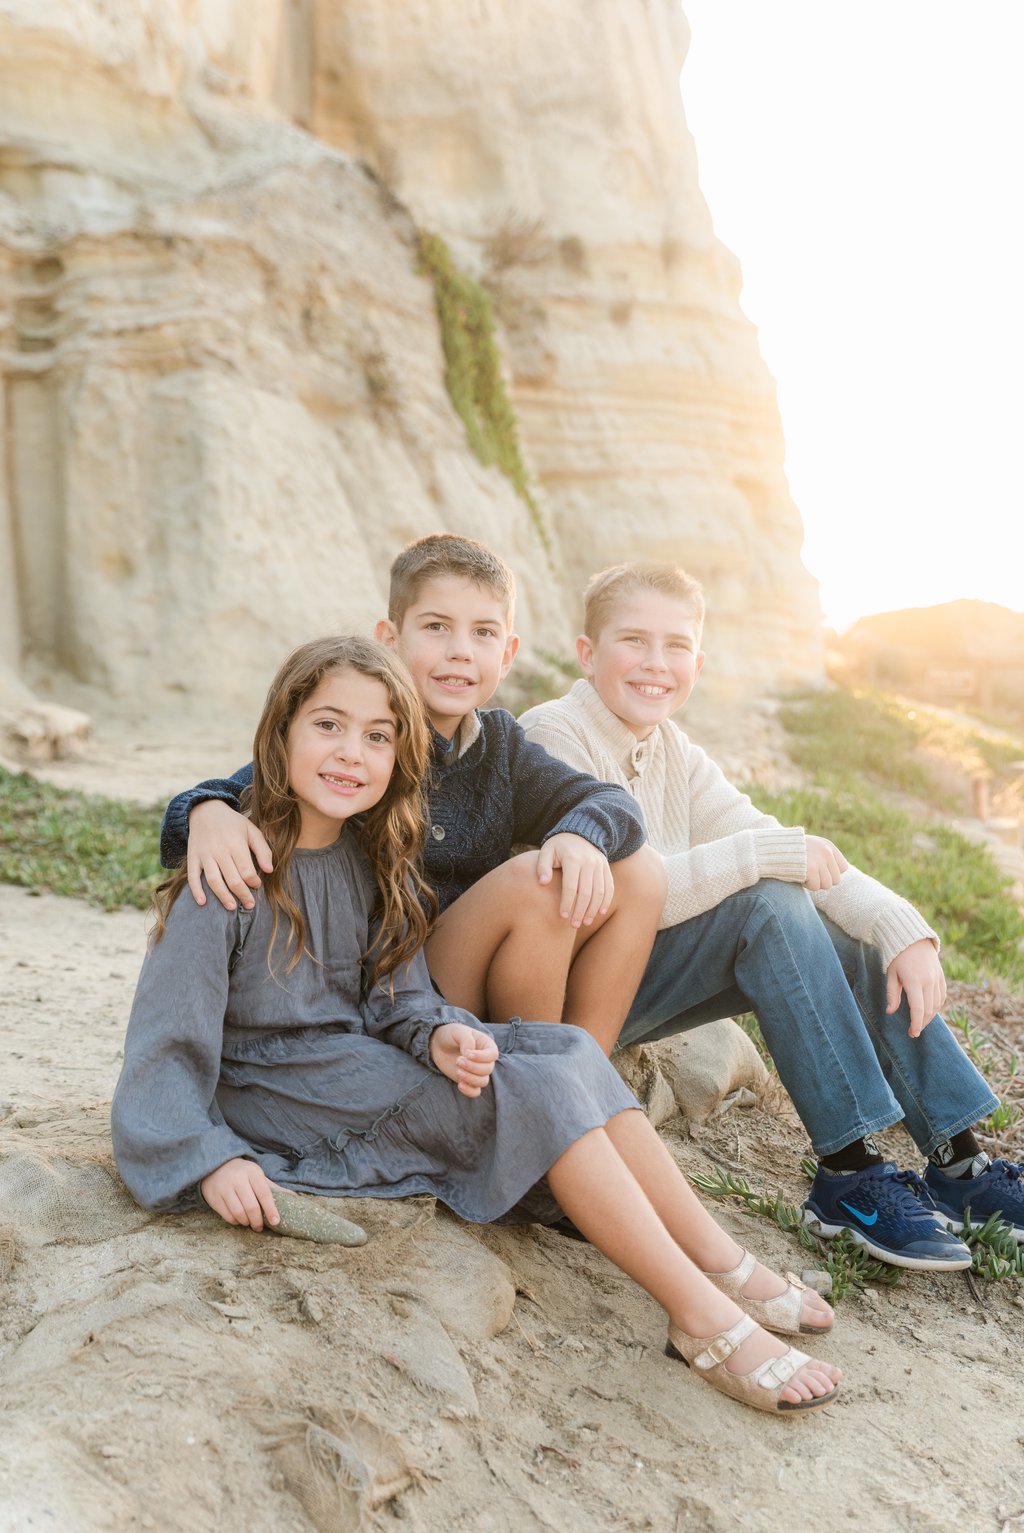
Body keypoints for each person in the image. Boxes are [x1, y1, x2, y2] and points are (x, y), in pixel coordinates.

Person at [112, 634, 842, 1416]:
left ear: (399, 755)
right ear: (279, 733)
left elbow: (397, 994)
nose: (350, 753)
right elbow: (162, 1051)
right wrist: (211, 1159)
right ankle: (703, 1318)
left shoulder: (369, 855)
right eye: (327, 725)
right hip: (282, 1093)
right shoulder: (227, 874)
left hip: (361, 1062)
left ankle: (720, 1264)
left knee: (562, 1048)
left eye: (378, 735)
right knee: (528, 1091)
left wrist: (438, 1035)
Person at [518, 563, 1024, 1270]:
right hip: (574, 989)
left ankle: (959, 1164)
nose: (656, 663)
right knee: (769, 901)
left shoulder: (674, 751)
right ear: (587, 651)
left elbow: (773, 841)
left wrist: (901, 927)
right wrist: (766, 854)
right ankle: (848, 1173)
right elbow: (630, 890)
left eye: (676, 645)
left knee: (847, 929)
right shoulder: (552, 733)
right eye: (634, 640)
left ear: (698, 659)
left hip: (643, 973)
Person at [160, 534, 666, 1054]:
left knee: (642, 872)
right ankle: (538, 1072)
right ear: (389, 638)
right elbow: (225, 794)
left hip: (475, 967)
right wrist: (206, 811)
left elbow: (611, 802)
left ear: (508, 654)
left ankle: (587, 1061)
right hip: (393, 986)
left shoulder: (501, 746)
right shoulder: (364, 739)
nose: (460, 652)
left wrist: (580, 835)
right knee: (539, 883)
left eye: (484, 632)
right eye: (436, 627)